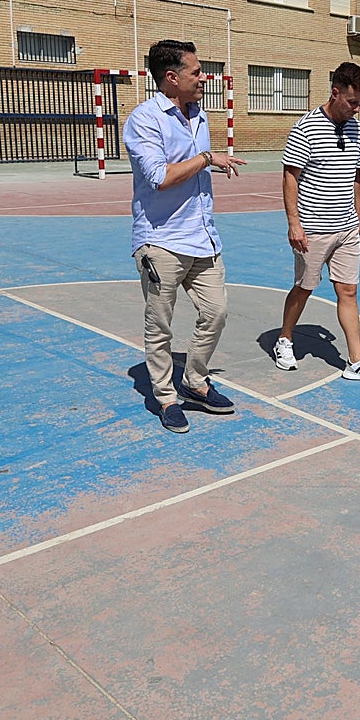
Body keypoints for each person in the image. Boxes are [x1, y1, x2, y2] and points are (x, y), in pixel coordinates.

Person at [125, 39, 247, 433]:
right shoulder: (144, 119)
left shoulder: (199, 115)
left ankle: (195, 380)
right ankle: (165, 396)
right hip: (161, 240)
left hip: (203, 237)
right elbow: (159, 177)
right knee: (159, 323)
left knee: (217, 312)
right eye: (196, 72)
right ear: (171, 78)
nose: (203, 78)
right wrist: (208, 159)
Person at [272, 62, 360, 384]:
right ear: (335, 92)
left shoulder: (356, 128)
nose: (356, 109)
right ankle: (285, 339)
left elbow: (356, 173)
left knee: (348, 291)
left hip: (347, 227)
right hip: (312, 228)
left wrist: (359, 213)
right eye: (352, 102)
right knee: (305, 288)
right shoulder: (306, 128)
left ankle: (356, 360)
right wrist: (294, 224)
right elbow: (289, 178)